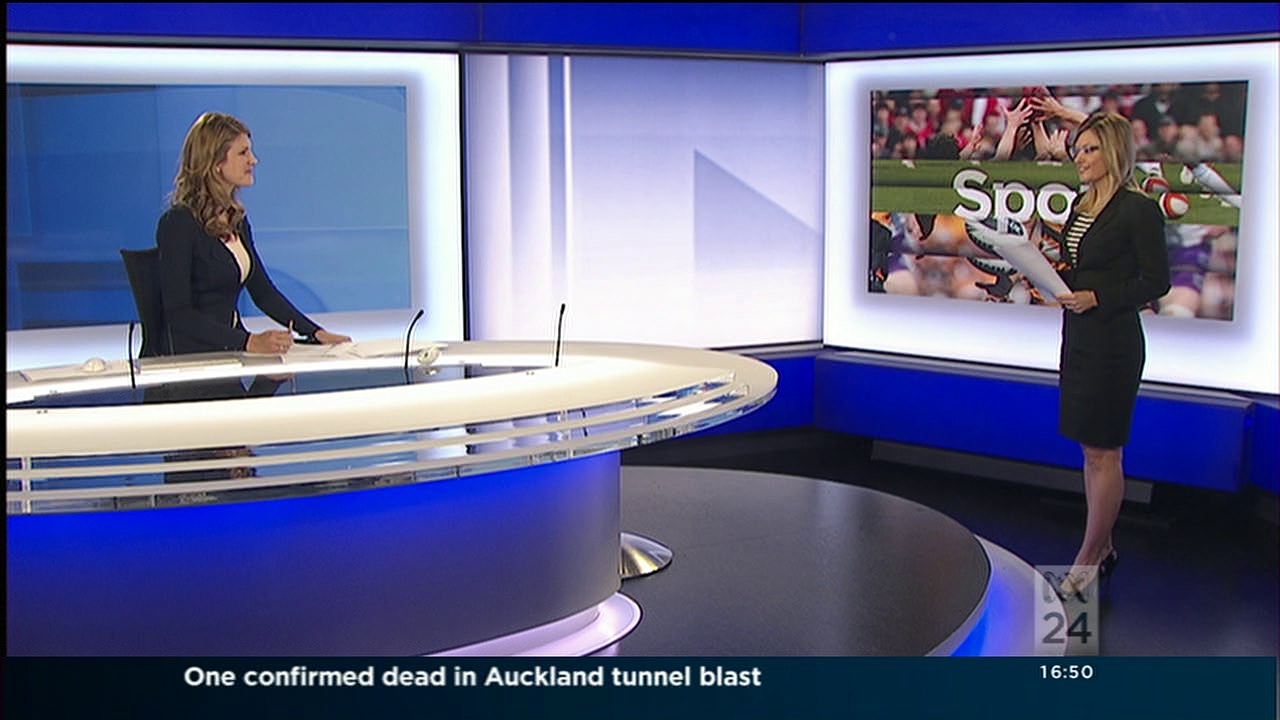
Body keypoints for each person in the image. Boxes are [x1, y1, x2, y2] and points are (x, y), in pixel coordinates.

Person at [1053, 111, 1171, 600]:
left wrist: (1098, 297)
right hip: (1079, 338)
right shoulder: (1081, 206)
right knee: (1091, 450)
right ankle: (1102, 547)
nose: (1080, 158)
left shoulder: (1137, 210)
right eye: (1078, 150)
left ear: (1114, 152)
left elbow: (1156, 281)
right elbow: (1081, 266)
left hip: (1114, 343)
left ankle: (1086, 561)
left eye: (1090, 149)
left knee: (1105, 452)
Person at [156, 112, 351, 355]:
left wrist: (315, 332)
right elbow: (178, 313)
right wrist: (247, 341)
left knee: (286, 367)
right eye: (243, 153)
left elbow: (263, 293)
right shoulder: (179, 223)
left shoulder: (235, 220)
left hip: (231, 347)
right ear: (215, 163)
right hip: (194, 356)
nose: (253, 160)